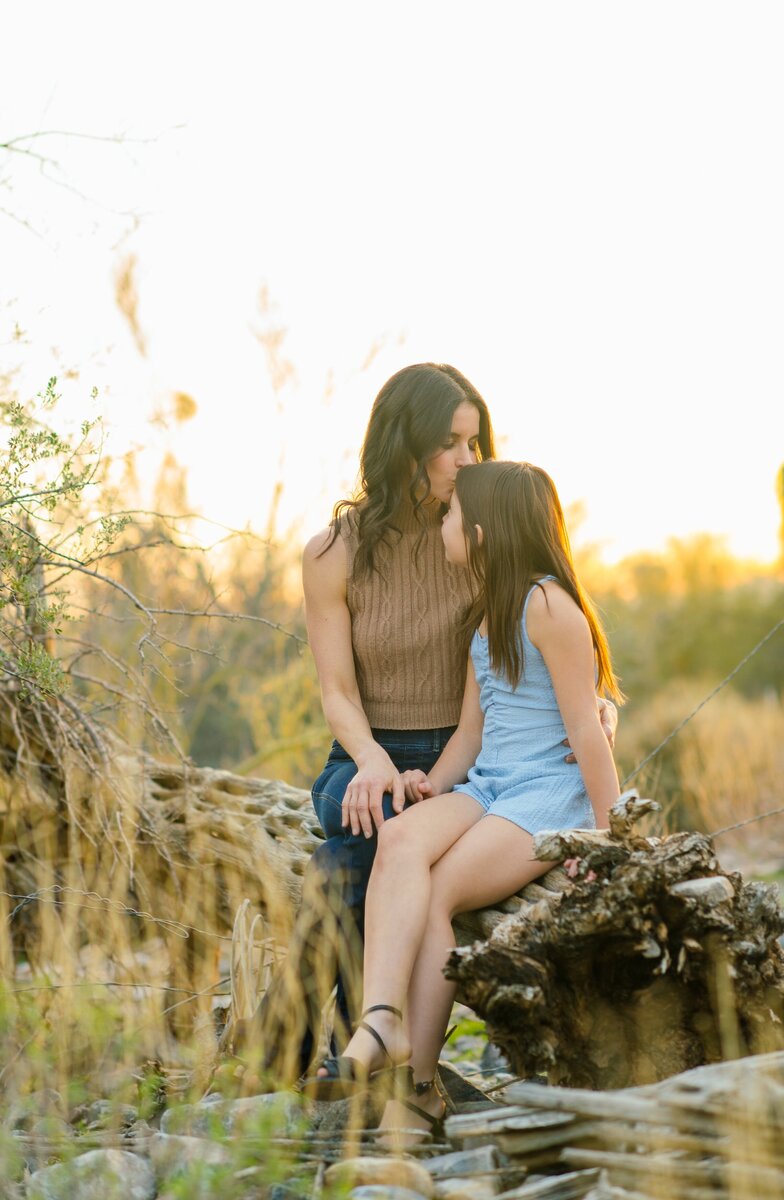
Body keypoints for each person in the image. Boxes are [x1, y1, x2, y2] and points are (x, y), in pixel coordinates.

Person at [232, 367, 615, 1089]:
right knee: (372, 819)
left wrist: (598, 708)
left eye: (475, 442)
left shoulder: (477, 540)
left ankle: (329, 1049)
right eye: (450, 443)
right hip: (372, 758)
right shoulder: (332, 553)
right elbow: (337, 691)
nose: (467, 460)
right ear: (405, 446)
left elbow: (549, 659)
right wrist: (374, 760)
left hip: (474, 763)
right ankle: (355, 1049)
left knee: (339, 867)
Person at [305, 459, 624, 1144]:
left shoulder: (548, 607)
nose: (442, 522)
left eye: (452, 516)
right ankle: (381, 1017)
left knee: (439, 892)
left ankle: (420, 1091)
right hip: (489, 785)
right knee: (400, 840)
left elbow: (587, 738)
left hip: (546, 796)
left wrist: (611, 836)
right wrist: (432, 787)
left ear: (479, 532)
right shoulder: (489, 616)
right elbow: (473, 733)